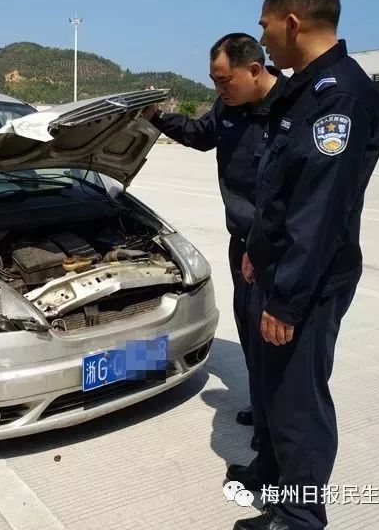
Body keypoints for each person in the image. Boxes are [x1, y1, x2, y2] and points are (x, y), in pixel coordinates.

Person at [231, 0, 379, 530]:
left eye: (266, 24)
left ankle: (299, 519)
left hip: (311, 281)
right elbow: (278, 190)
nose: (264, 34)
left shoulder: (340, 97)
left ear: (292, 22)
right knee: (273, 391)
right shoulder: (304, 90)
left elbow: (319, 213)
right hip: (277, 269)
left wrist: (287, 298)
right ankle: (275, 485)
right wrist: (255, 249)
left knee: (299, 402)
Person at [142, 33, 286, 453]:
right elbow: (199, 133)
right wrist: (155, 118)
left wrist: (264, 247)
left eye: (224, 81)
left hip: (275, 246)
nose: (218, 90)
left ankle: (278, 426)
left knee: (278, 339)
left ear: (254, 70)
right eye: (214, 81)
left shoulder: (290, 109)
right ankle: (262, 412)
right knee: (250, 332)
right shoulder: (227, 106)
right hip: (241, 244)